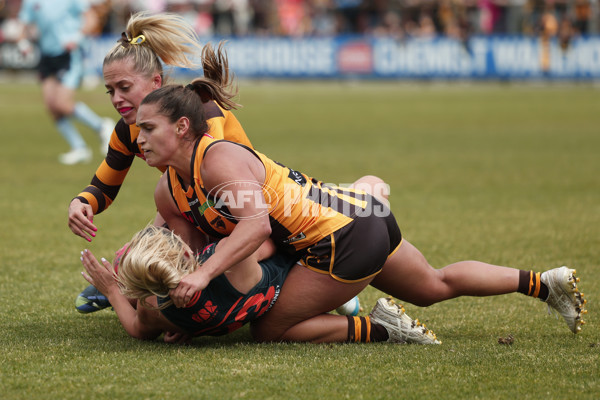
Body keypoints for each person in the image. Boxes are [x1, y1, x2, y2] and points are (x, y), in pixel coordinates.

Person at [133, 81, 587, 343]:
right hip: (355, 214)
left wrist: (201, 276)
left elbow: (254, 229)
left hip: (341, 240)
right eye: (137, 131)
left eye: (148, 128)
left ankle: (379, 329)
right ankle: (544, 283)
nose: (140, 139)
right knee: (433, 285)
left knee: (270, 328)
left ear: (182, 126)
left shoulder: (216, 161)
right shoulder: (171, 185)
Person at [66, 12, 252, 312]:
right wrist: (81, 202)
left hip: (242, 206)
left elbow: (212, 177)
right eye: (110, 90)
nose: (116, 98)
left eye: (125, 87)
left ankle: (305, 268)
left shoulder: (198, 111)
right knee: (144, 261)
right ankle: (137, 285)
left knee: (148, 261)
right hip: (199, 206)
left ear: (156, 81)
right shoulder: (127, 129)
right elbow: (104, 186)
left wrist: (157, 242)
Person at [80, 224, 440, 344]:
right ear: (182, 253)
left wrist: (112, 290)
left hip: (269, 306)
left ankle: (373, 327)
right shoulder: (223, 260)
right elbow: (266, 242)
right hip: (302, 271)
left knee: (271, 331)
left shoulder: (157, 312)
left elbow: (137, 330)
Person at [17, 0, 114, 165]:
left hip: (68, 54)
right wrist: (23, 43)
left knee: (62, 104)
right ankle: (79, 147)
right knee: (51, 106)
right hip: (47, 56)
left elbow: (91, 19)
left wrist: (76, 37)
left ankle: (102, 126)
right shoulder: (30, 2)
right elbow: (23, 24)